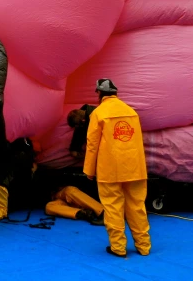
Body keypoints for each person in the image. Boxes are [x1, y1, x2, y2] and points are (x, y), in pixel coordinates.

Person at [84, 79, 150, 258]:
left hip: (110, 170)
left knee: (113, 208)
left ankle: (118, 248)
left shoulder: (98, 113)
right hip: (135, 168)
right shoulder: (131, 112)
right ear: (115, 93)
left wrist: (89, 170)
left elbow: (92, 144)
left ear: (99, 93)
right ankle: (144, 246)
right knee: (137, 207)